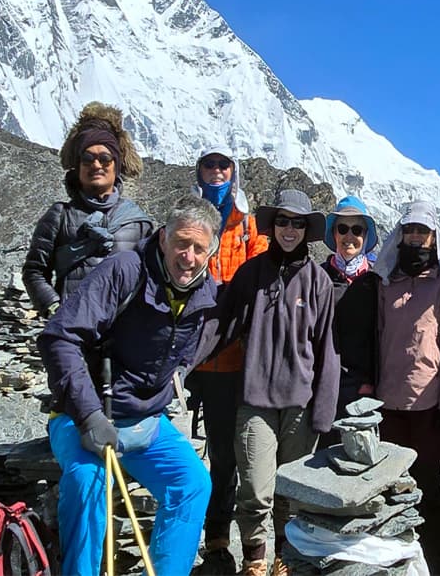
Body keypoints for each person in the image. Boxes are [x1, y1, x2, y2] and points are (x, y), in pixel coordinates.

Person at [37, 196, 222, 576]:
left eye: (199, 248)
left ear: (211, 251)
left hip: (144, 420)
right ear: (162, 239)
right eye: (181, 244)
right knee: (88, 482)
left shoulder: (205, 294)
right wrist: (88, 415)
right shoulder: (125, 270)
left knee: (192, 484)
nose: (188, 257)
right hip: (83, 416)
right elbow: (60, 337)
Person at [199, 189, 340, 576]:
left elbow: (328, 348)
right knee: (257, 489)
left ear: (306, 229)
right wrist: (183, 361)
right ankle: (256, 560)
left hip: (300, 404)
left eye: (297, 223)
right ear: (273, 225)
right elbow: (222, 327)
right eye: (282, 221)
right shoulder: (251, 274)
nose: (289, 229)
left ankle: (285, 558)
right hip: (255, 400)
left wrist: (323, 413)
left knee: (288, 493)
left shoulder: (318, 282)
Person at [187, 148, 269, 572]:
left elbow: (262, 269)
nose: (216, 172)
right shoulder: (187, 218)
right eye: (209, 166)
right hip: (202, 360)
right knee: (218, 453)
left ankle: (253, 546)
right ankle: (216, 538)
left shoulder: (246, 222)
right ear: (198, 172)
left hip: (243, 357)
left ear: (233, 172)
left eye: (223, 166)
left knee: (246, 454)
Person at [372, 201, 440, 573]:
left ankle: (431, 562)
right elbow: (376, 339)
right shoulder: (386, 284)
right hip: (387, 404)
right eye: (409, 230)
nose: (415, 237)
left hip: (428, 408)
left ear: (434, 237)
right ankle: (394, 560)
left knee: (426, 484)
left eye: (422, 232)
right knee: (391, 484)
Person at [22, 102, 153, 317]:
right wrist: (56, 309)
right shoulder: (59, 216)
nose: (96, 165)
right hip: (70, 332)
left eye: (105, 158)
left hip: (120, 333)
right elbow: (34, 271)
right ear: (78, 166)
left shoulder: (137, 222)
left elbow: (148, 277)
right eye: (88, 158)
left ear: (116, 164)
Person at [319, 195, 381, 446]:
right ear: (333, 234)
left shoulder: (376, 281)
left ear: (366, 236)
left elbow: (380, 335)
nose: (349, 236)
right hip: (322, 381)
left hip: (361, 385)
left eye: (357, 229)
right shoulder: (318, 277)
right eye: (342, 228)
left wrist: (370, 380)